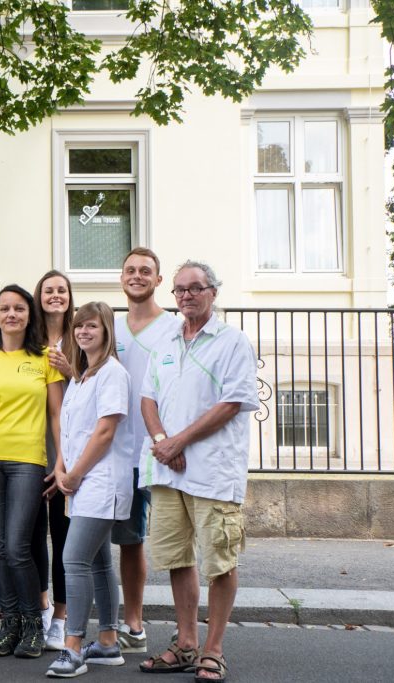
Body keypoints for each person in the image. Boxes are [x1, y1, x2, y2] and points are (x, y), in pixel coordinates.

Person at [137, 261, 258, 683]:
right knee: (177, 558)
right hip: (169, 470)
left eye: (195, 288)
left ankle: (214, 649)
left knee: (219, 561)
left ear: (213, 292)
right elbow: (148, 397)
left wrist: (180, 441)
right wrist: (162, 440)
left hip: (212, 471)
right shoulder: (167, 341)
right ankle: (186, 643)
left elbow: (232, 403)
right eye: (179, 290)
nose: (186, 295)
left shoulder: (232, 342)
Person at [0, 284, 64, 659]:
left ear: (28, 314)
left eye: (18, 308)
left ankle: (34, 623)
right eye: (4, 308)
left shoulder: (45, 358)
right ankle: (12, 624)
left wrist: (61, 460)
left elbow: (56, 415)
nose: (11, 314)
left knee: (19, 546)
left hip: (27, 462)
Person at [45, 302, 133, 678]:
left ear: (106, 331)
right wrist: (63, 467)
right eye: (79, 327)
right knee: (98, 563)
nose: (82, 332)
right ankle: (109, 643)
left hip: (99, 482)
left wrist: (76, 473)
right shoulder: (82, 376)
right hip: (81, 482)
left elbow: (105, 432)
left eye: (91, 327)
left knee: (74, 560)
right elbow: (69, 431)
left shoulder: (112, 373)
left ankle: (73, 646)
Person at [111, 248, 180, 654]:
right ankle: (134, 626)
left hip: (164, 449)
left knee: (176, 540)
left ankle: (183, 627)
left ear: (157, 281)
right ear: (122, 279)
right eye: (130, 270)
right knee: (130, 541)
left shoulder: (173, 327)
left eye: (145, 271)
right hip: (121, 450)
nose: (137, 276)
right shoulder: (111, 326)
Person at [34, 270, 76, 650]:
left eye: (61, 290)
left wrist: (70, 370)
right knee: (32, 537)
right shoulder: (28, 340)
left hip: (70, 451)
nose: (55, 296)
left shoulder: (79, 335)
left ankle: (62, 618)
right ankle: (43, 607)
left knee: (63, 538)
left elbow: (98, 380)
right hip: (30, 450)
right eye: (49, 290)